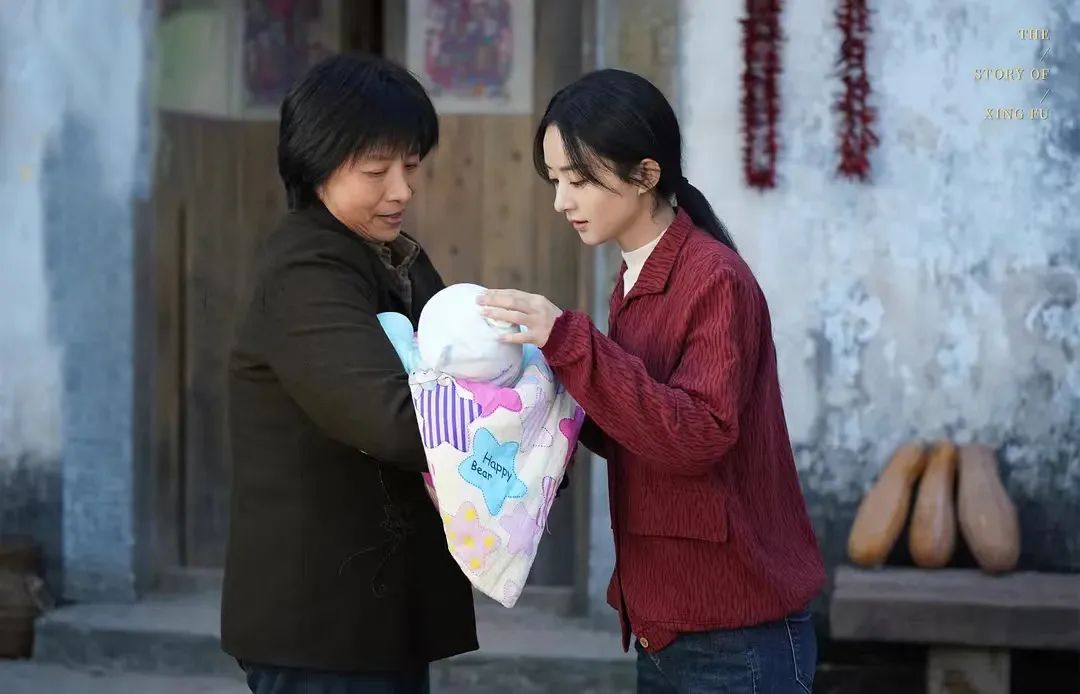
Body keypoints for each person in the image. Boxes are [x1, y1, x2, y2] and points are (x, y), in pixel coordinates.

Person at [478, 68, 826, 693]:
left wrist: (570, 343)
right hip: (666, 624)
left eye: (579, 180)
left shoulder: (714, 279)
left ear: (645, 174)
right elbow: (641, 425)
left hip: (734, 633)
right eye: (555, 180)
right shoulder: (637, 275)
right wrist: (539, 393)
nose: (561, 202)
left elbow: (698, 435)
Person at [221, 53, 477, 694]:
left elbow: (461, 364)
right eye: (376, 170)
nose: (402, 189)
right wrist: (519, 436)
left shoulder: (393, 258)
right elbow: (393, 420)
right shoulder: (305, 273)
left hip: (375, 615)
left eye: (410, 166)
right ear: (317, 164)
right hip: (321, 624)